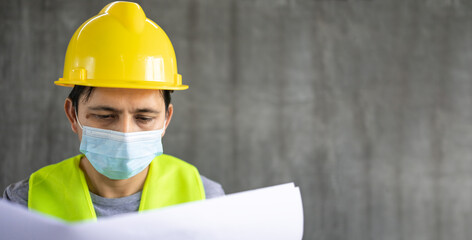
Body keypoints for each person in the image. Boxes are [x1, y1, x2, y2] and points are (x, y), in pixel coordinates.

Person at [2, 1, 224, 222]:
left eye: (144, 118)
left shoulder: (207, 199)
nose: (125, 132)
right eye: (104, 116)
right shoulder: (23, 203)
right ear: (72, 115)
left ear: (167, 119)